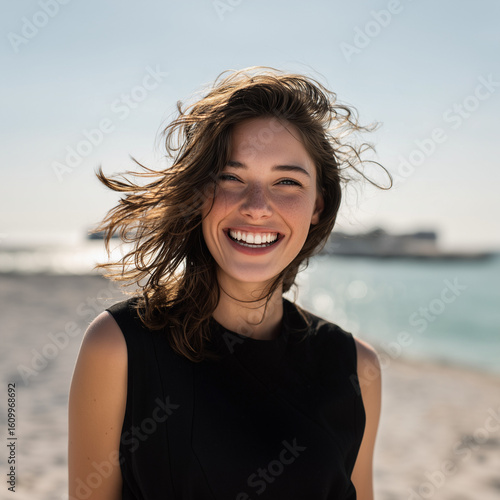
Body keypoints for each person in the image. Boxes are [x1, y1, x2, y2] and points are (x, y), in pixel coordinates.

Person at [68, 67, 388, 500]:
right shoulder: (119, 347)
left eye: (287, 182)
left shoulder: (356, 368)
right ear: (199, 192)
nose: (257, 207)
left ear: (318, 205)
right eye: (231, 177)